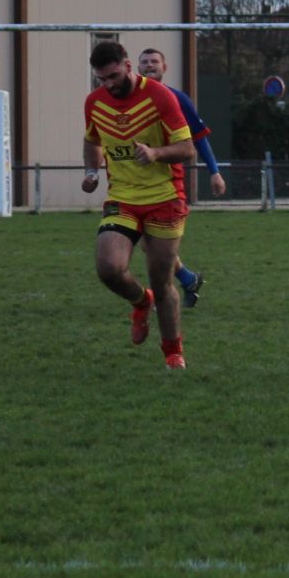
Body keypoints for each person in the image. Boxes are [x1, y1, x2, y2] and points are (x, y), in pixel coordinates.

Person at [82, 41, 196, 369]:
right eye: (102, 79)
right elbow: (91, 140)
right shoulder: (94, 103)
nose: (109, 84)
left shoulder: (160, 96)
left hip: (164, 197)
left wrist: (156, 153)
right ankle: (139, 301)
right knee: (108, 268)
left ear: (128, 65)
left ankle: (173, 352)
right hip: (123, 198)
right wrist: (91, 172)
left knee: (162, 282)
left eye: (114, 76)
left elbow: (187, 149)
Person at [136, 47, 225, 307]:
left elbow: (199, 138)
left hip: (167, 183)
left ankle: (168, 294)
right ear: (136, 67)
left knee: (156, 245)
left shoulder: (177, 99)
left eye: (154, 62)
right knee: (146, 244)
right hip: (134, 182)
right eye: (145, 62)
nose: (149, 65)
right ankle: (187, 279)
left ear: (165, 68)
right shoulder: (129, 98)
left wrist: (214, 172)